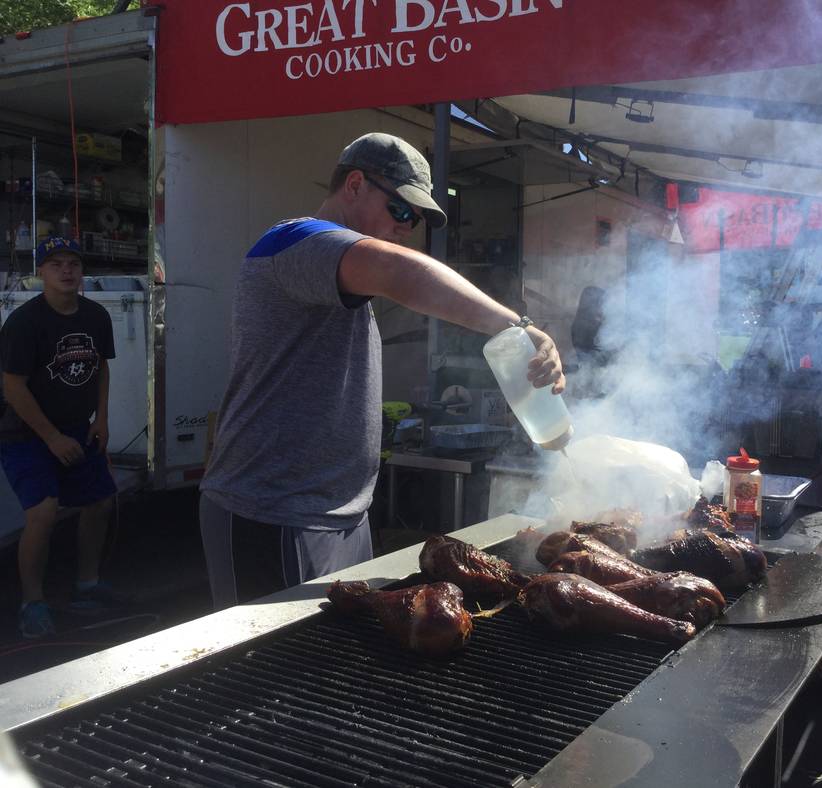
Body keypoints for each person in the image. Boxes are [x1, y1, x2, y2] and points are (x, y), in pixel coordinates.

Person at [199, 133, 566, 610]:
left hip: (343, 514)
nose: (407, 227)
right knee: (272, 677)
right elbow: (402, 273)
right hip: (275, 511)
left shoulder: (338, 273)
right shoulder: (294, 241)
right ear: (354, 184)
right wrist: (517, 326)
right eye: (401, 211)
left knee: (333, 669)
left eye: (416, 219)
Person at [0, 237, 118, 638]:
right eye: (55, 264)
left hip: (76, 426)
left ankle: (88, 584)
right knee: (44, 511)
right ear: (41, 272)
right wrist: (50, 438)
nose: (66, 271)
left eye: (73, 264)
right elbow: (13, 387)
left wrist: (101, 417)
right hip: (25, 433)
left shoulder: (96, 316)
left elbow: (100, 366)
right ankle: (32, 603)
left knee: (101, 500)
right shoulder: (24, 322)